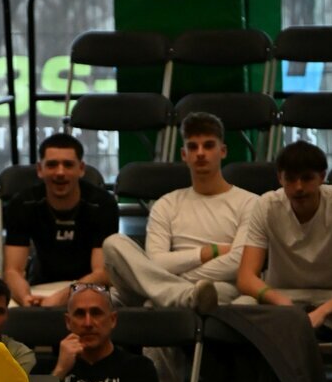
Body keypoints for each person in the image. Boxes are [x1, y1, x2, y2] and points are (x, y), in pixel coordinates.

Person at [234, 141, 332, 377]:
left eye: (306, 178)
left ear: (322, 177)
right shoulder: (266, 205)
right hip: (282, 299)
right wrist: (283, 303)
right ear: (280, 178)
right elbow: (246, 277)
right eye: (290, 179)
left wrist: (324, 311)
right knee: (240, 308)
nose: (298, 187)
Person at [103, 112, 258, 311]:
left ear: (223, 151)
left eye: (208, 146)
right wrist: (209, 252)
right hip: (165, 284)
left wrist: (169, 282)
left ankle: (170, 295)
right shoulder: (166, 204)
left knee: (217, 293)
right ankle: (180, 296)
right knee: (113, 243)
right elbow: (156, 262)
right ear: (184, 155)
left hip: (218, 286)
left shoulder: (250, 203)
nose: (200, 153)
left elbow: (238, 262)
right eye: (193, 147)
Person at [3, 133, 115, 308]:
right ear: (40, 169)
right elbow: (12, 270)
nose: (60, 172)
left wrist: (62, 297)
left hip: (91, 287)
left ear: (81, 169)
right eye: (52, 165)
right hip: (41, 285)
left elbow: (101, 273)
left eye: (68, 165)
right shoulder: (23, 203)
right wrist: (25, 298)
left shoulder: (102, 204)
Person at [53, 283, 159, 382]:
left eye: (96, 313)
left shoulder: (138, 366)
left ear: (112, 320)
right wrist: (60, 370)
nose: (88, 323)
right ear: (68, 322)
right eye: (80, 314)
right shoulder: (53, 368)